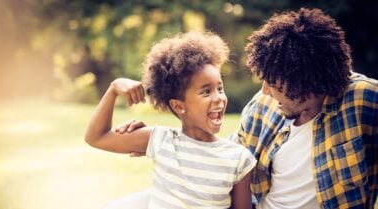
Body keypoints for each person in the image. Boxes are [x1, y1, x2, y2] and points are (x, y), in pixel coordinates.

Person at [117, 8, 378, 209]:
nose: (265, 91)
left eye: (274, 84)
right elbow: (226, 152)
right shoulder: (264, 106)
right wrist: (172, 142)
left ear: (306, 81)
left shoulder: (363, 100)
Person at [85, 31, 257, 209]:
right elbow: (96, 137)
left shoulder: (238, 158)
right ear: (178, 106)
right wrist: (114, 88)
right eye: (206, 91)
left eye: (220, 88)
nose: (218, 98)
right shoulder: (161, 140)